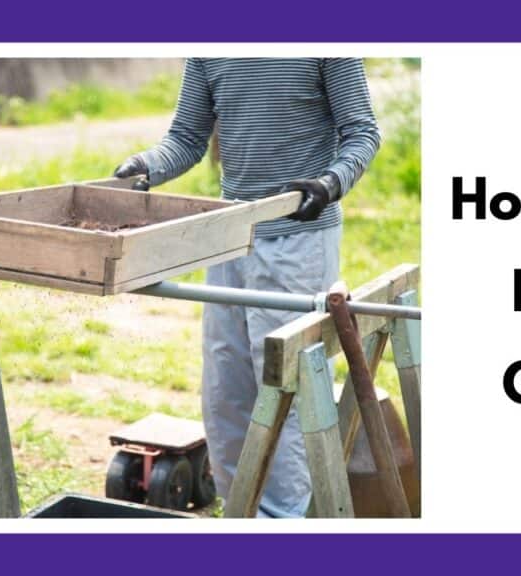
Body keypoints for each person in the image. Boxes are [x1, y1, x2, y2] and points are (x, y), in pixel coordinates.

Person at [114, 58, 380, 517]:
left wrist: (329, 183)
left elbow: (362, 132)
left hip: (299, 240)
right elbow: (186, 139)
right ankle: (243, 514)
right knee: (226, 390)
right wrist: (144, 166)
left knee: (285, 391)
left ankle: (286, 520)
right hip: (230, 237)